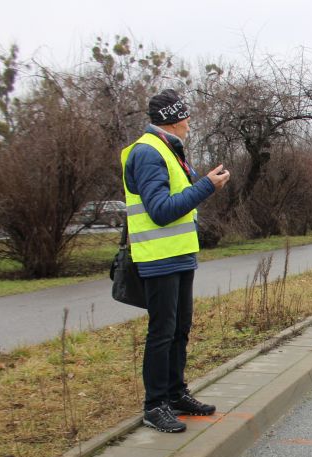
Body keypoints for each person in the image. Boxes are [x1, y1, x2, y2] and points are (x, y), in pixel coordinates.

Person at [122, 89, 231, 433]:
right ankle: (155, 405)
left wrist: (204, 184)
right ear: (172, 119)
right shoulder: (147, 152)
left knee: (180, 329)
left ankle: (175, 394)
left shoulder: (168, 148)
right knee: (162, 333)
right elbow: (160, 210)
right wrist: (206, 186)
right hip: (158, 257)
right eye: (185, 115)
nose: (189, 121)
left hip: (179, 255)